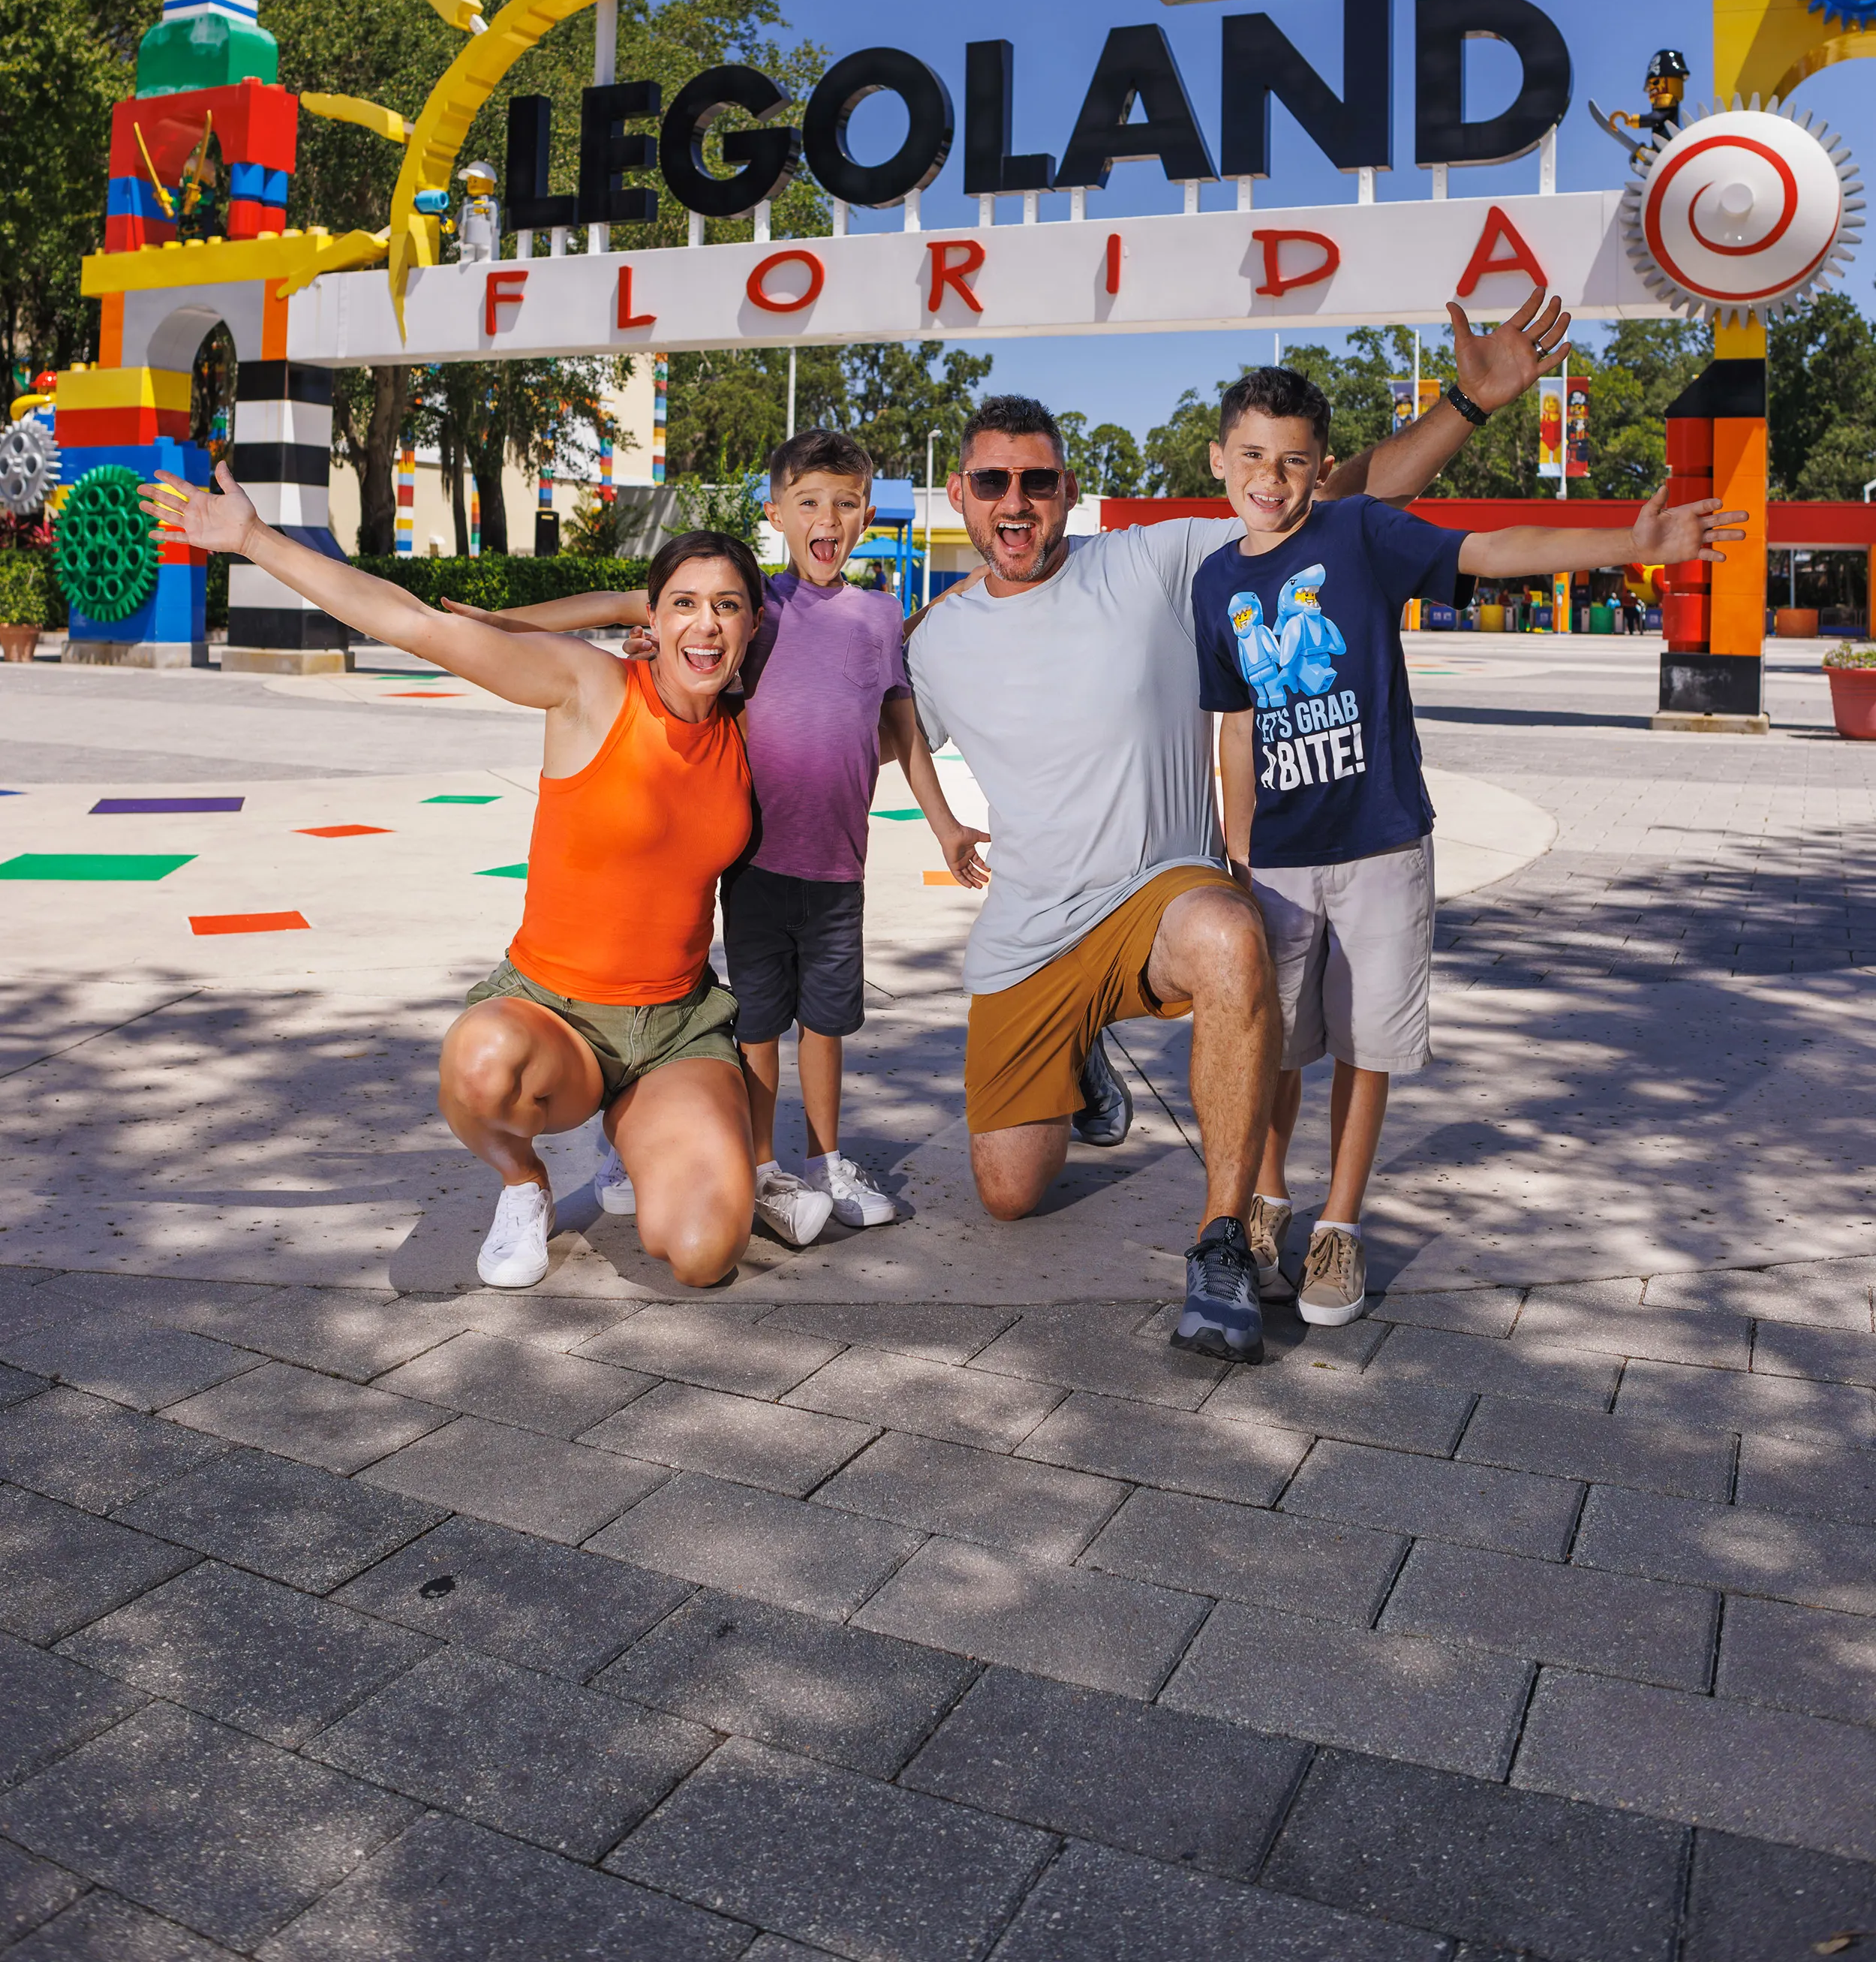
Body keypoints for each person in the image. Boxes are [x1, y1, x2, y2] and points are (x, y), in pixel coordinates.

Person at [904, 292, 1574, 1366]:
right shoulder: (935, 636)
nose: (1017, 502)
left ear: (1069, 490)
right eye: (994, 482)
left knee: (1232, 938)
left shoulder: (1156, 564)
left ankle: (1223, 1237)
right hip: (1032, 930)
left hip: (1163, 895)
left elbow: (1328, 502)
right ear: (963, 496)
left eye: (1038, 480)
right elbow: (888, 717)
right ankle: (1080, 1063)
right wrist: (937, 819)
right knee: (1008, 1194)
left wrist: (1464, 406)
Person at [1202, 367, 1745, 1327]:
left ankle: (1338, 1226)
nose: (1271, 477)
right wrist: (1241, 861)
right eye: (1251, 456)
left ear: (1321, 467)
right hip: (1277, 861)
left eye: (1292, 460)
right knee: (1274, 1045)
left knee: (1364, 1045)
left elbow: (1488, 549)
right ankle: (1267, 1200)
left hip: (1379, 845)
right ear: (1219, 462)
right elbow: (1236, 728)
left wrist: (1631, 541)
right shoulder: (1214, 582)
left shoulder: (1358, 531)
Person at [140, 459, 764, 1293]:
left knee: (702, 1252)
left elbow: (869, 653)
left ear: (755, 627)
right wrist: (253, 540)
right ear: (648, 615)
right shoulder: (588, 687)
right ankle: (523, 1182)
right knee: (479, 1061)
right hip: (558, 1019)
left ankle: (633, 1136)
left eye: (727, 606)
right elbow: (414, 625)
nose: (706, 625)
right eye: (682, 602)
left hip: (679, 1027)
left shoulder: (753, 726)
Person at [458, 428, 979, 1248]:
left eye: (845, 504)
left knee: (830, 1025)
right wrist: (502, 620)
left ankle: (828, 1162)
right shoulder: (753, 606)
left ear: (868, 515)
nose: (827, 519)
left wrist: (944, 825)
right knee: (761, 1024)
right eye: (809, 502)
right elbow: (627, 605)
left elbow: (900, 723)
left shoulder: (878, 618)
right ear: (776, 513)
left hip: (841, 867)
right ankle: (768, 1167)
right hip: (759, 864)